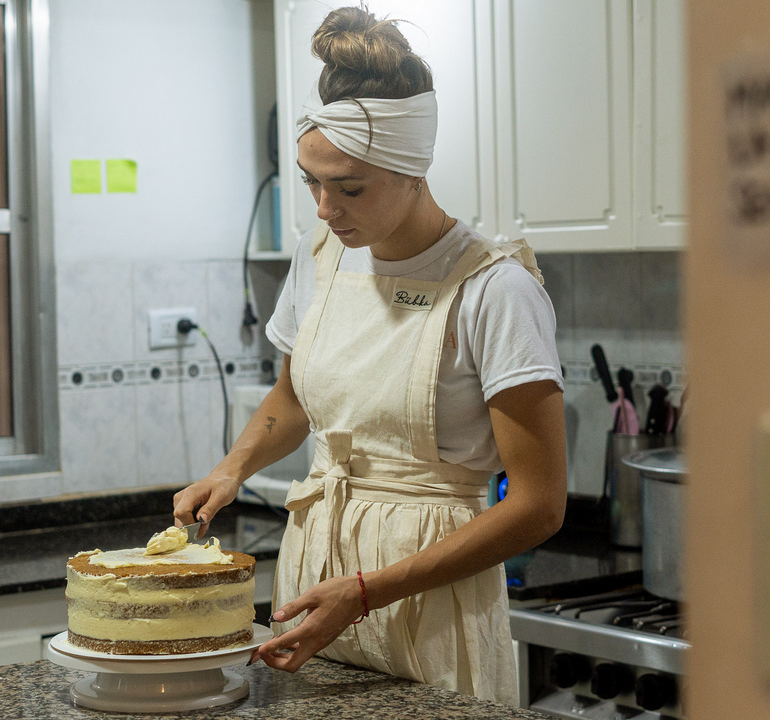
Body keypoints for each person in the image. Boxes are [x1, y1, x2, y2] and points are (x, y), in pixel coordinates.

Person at [172, 5, 566, 703]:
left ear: (414, 171)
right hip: (314, 575)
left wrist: (365, 592)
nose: (325, 208)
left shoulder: (494, 288)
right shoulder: (321, 256)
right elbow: (294, 397)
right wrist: (232, 469)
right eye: (311, 181)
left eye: (349, 187)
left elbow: (539, 506)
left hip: (429, 593)